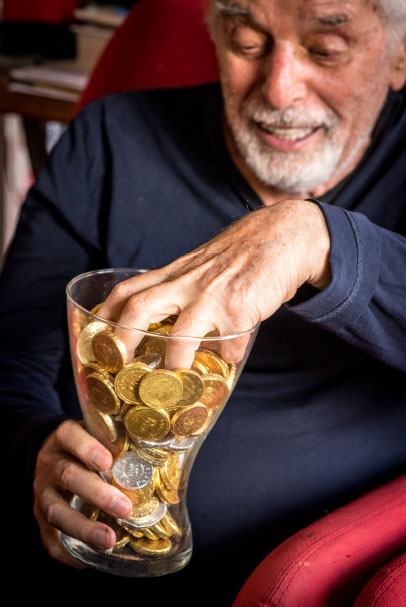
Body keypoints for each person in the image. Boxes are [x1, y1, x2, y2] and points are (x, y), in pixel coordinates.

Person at [0, 0, 405, 603]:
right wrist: (34, 451)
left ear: (399, 56)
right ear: (215, 38)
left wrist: (315, 239)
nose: (280, 88)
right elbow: (10, 361)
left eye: (325, 51)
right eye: (247, 43)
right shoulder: (110, 139)